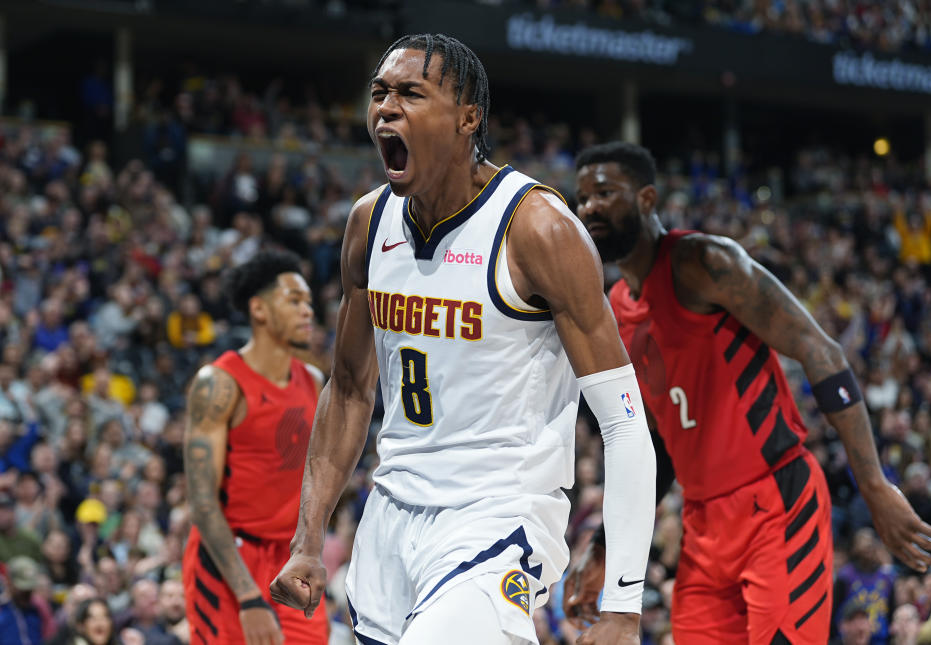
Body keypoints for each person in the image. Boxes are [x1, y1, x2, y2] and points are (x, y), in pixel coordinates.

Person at [270, 34, 656, 645]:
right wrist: (308, 541)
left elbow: (624, 421)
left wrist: (624, 607)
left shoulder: (538, 228)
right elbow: (347, 390)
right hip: (390, 516)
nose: (386, 109)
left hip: (499, 513)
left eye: (410, 93)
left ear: (468, 117)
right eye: (379, 94)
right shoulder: (369, 224)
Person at [564, 142, 931, 644]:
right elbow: (655, 448)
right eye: (582, 197)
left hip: (777, 501)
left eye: (605, 193)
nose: (589, 207)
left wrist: (874, 485)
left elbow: (821, 350)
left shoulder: (703, 262)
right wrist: (604, 550)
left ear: (647, 199)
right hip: (702, 525)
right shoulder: (616, 306)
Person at [183, 249, 327, 644]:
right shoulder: (219, 383)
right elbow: (201, 502)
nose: (307, 311)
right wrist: (248, 597)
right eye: (294, 300)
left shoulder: (313, 381)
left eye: (309, 302)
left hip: (290, 558)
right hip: (229, 557)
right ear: (259, 310)